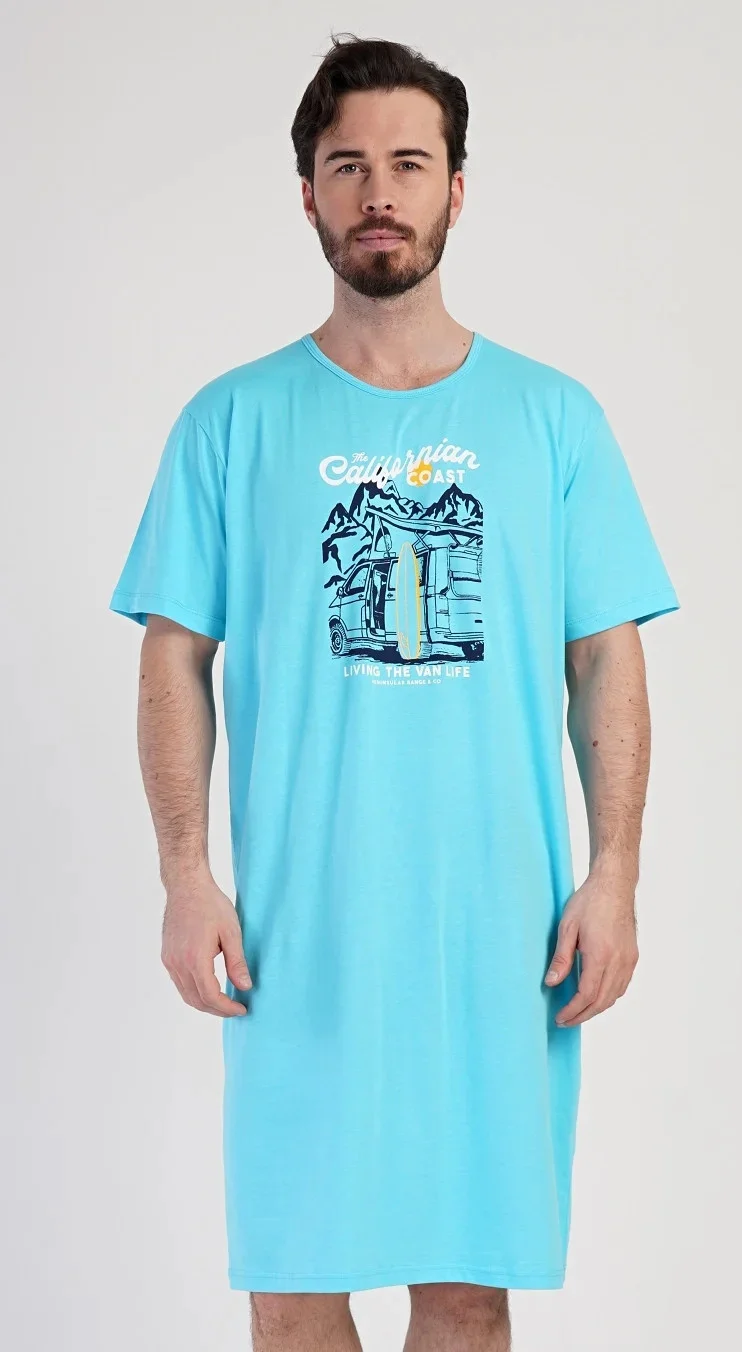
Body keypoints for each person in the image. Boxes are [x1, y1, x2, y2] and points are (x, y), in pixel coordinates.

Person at [109, 32, 681, 1352]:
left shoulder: (553, 418)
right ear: (307, 192)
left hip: (500, 936)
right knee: (293, 1291)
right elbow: (174, 655)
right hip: (297, 939)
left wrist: (615, 875)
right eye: (348, 164)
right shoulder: (231, 421)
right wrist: (187, 875)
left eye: (409, 164)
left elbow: (606, 656)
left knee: (468, 1292)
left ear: (456, 191)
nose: (379, 192)